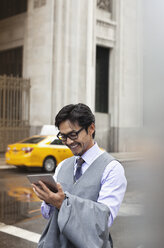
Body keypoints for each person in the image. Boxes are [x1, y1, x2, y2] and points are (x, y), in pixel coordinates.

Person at [32, 103, 127, 248]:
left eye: (73, 134)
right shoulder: (63, 166)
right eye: (63, 136)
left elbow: (103, 221)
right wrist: (48, 200)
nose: (69, 142)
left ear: (91, 128)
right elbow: (48, 215)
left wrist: (62, 202)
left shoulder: (112, 168)